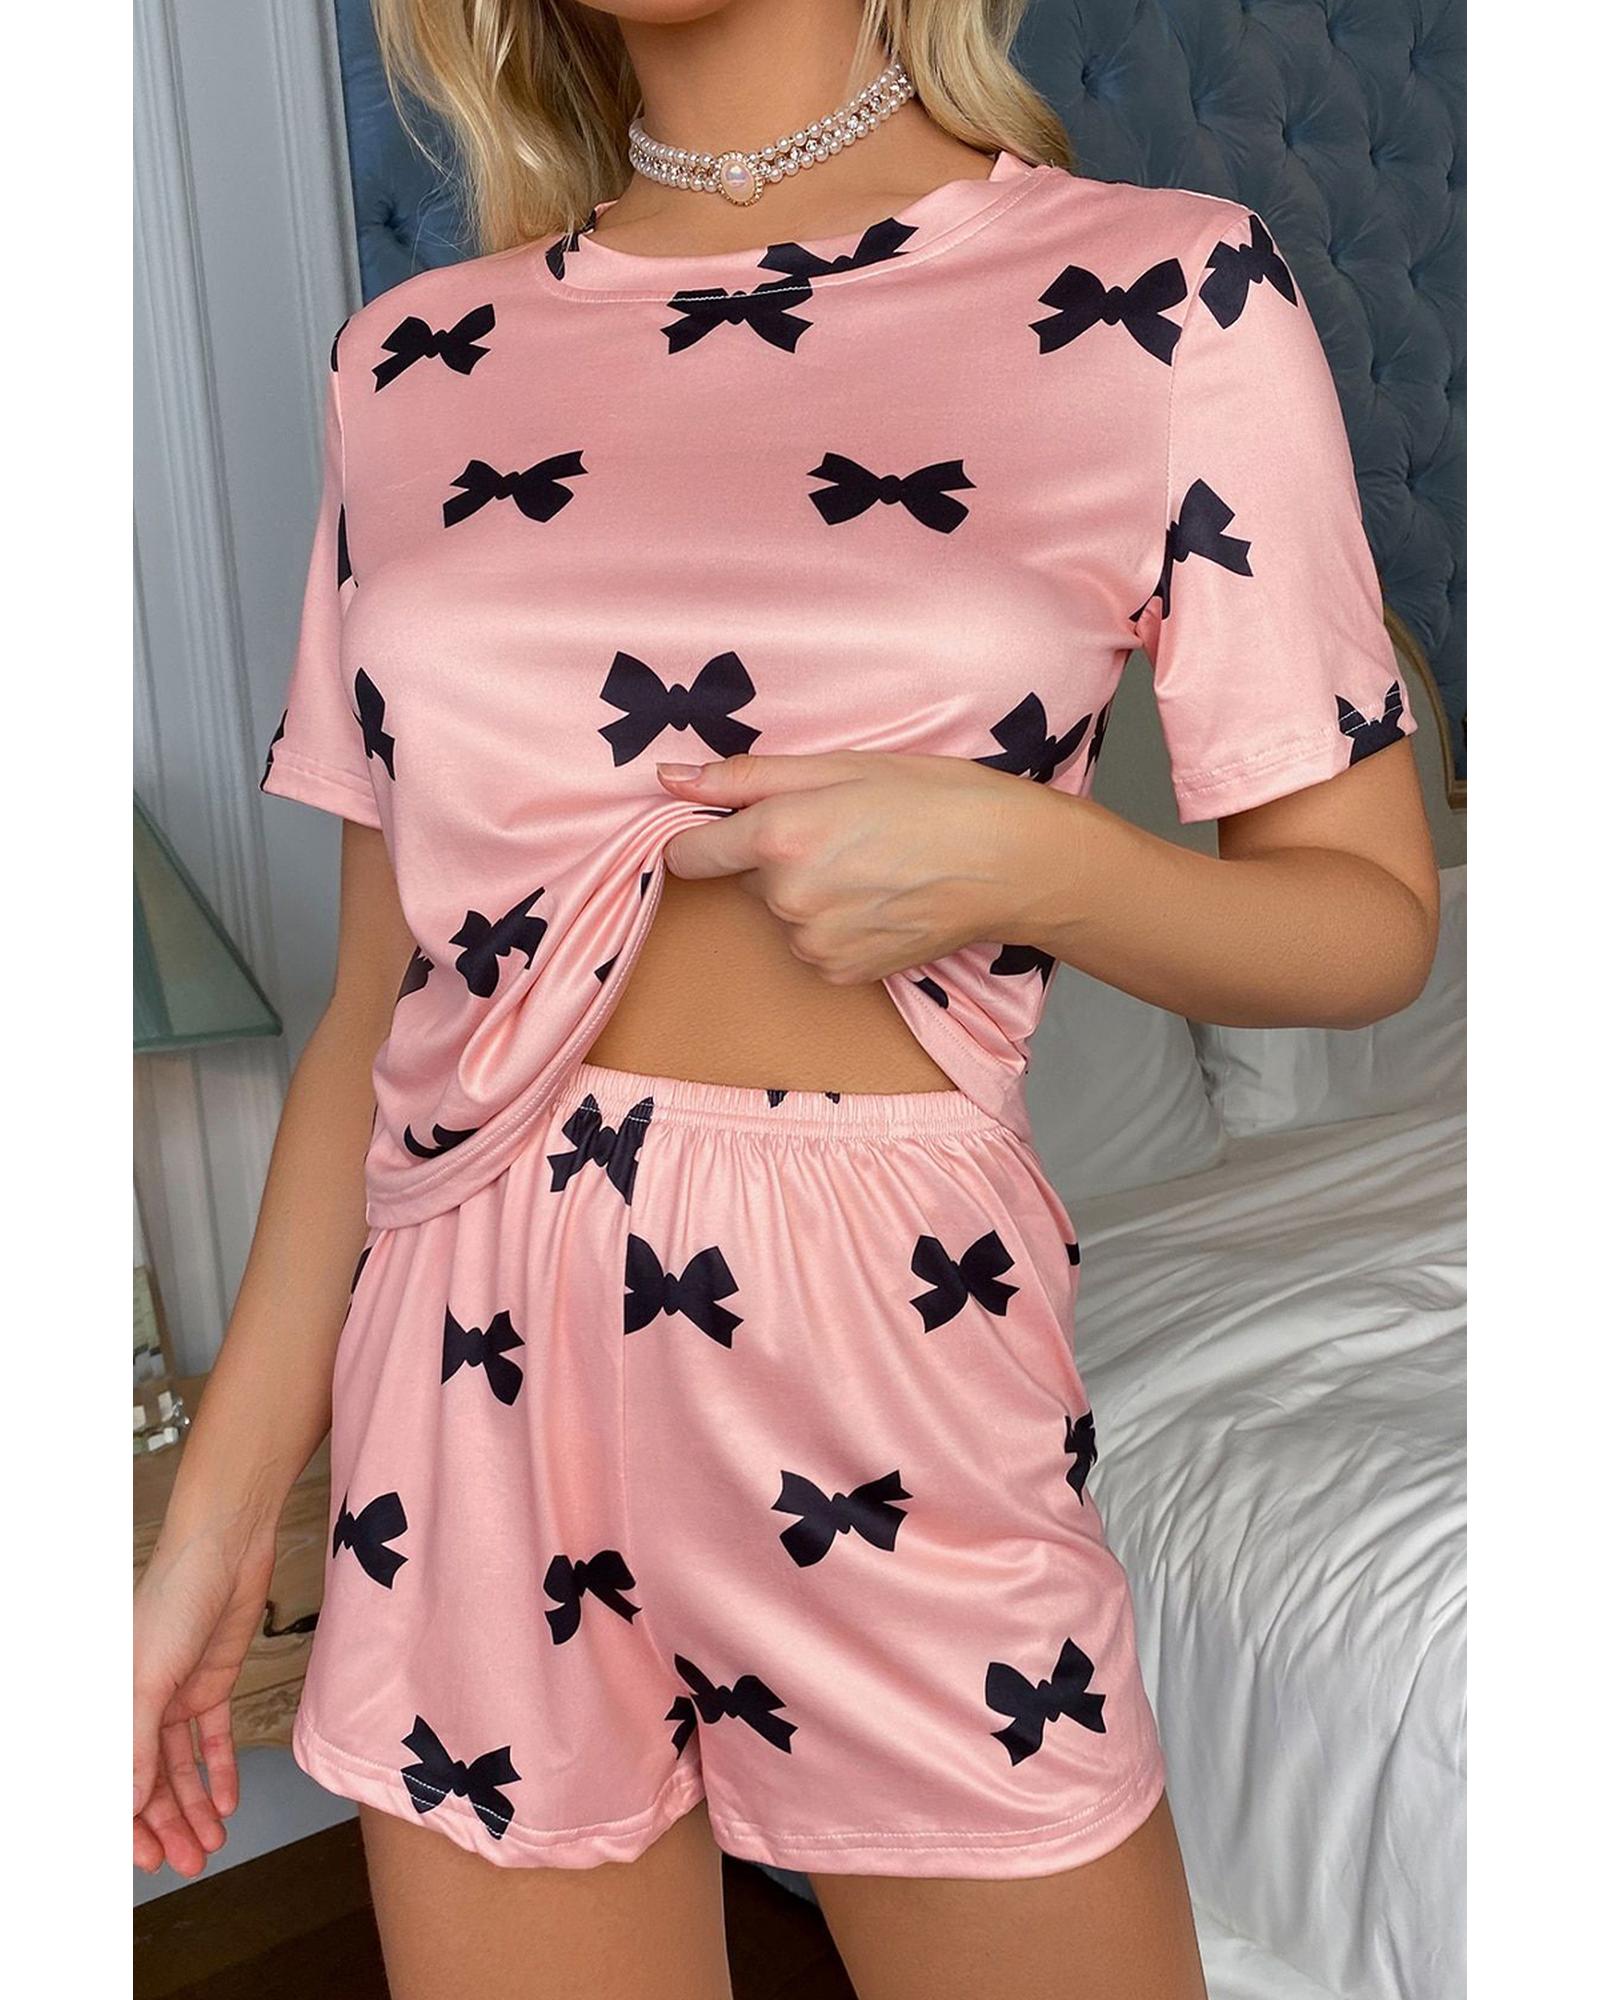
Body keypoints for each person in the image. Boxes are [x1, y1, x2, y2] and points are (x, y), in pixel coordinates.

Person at [133, 3, 1439, 1995]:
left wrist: (1030, 860)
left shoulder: (1160, 291)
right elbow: (378, 1016)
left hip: (886, 1338)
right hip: (462, 1359)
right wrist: (211, 1547)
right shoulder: (405, 363)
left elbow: (1367, 920)